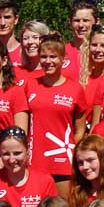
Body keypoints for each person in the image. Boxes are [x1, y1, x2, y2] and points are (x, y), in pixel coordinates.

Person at [24, 34, 87, 181]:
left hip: (63, 162)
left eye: (53, 57)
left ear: (63, 59)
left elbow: (80, 130)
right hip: (35, 161)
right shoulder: (29, 85)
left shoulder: (75, 89)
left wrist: (68, 148)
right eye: (43, 57)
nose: (48, 61)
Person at [67, 0, 99, 82]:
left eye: (86, 20)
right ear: (70, 22)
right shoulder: (61, 52)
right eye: (76, 20)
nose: (81, 25)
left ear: (97, 22)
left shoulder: (103, 52)